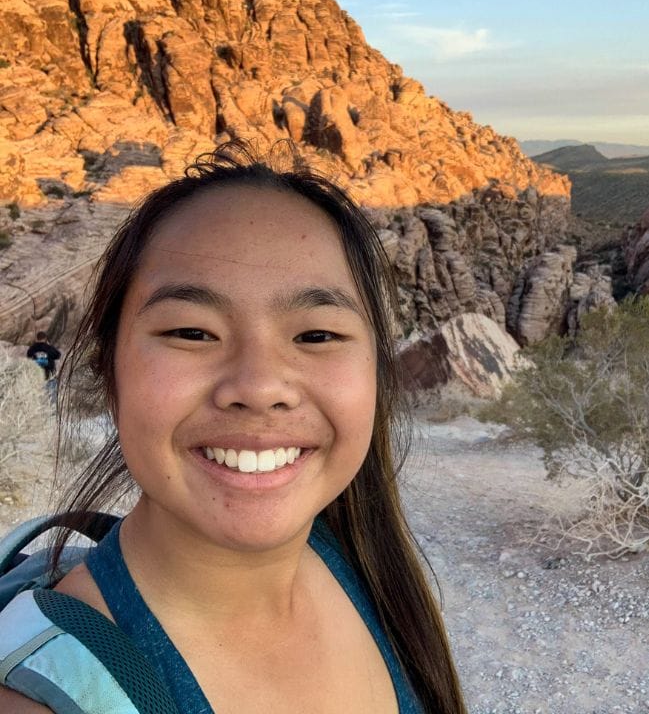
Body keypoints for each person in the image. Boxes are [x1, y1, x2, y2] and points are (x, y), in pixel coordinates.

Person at [0, 141, 468, 713]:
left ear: (376, 368)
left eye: (316, 335)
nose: (259, 387)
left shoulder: (360, 564)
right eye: (192, 333)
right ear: (108, 367)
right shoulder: (43, 699)